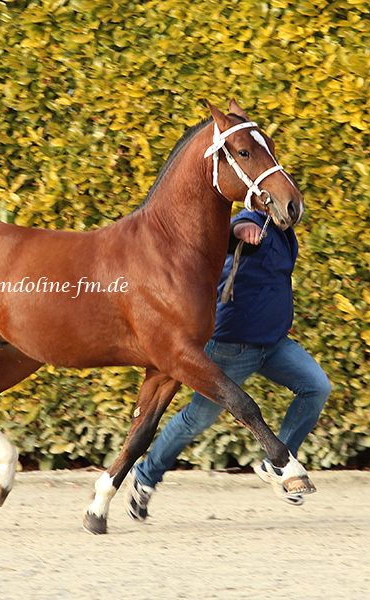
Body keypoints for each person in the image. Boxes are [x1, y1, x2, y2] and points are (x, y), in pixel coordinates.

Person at [126, 208, 332, 521]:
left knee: (316, 387)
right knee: (197, 419)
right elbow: (234, 230)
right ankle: (144, 476)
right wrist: (240, 232)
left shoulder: (283, 232)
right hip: (230, 347)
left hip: (274, 344)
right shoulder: (249, 220)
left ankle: (277, 464)